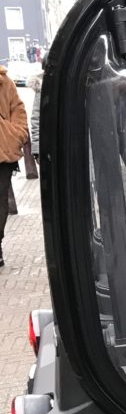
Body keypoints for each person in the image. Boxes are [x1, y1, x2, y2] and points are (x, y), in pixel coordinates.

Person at [0, 64, 30, 266]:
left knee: (0, 200)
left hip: (3, 150)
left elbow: (18, 109)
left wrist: (15, 134)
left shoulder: (4, 81)